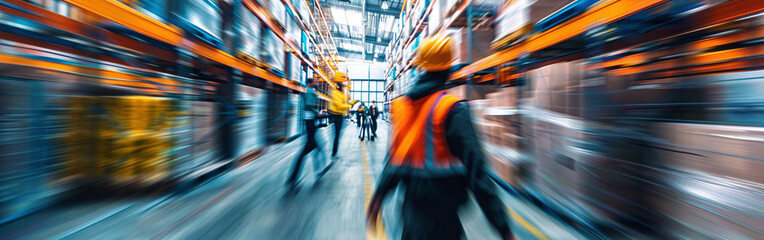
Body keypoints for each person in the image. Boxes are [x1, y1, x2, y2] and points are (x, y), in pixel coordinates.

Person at [366, 35, 514, 240]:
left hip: (411, 214)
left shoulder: (402, 107)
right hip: (443, 219)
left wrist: (379, 195)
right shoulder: (452, 109)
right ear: (448, 69)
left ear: (420, 68)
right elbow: (477, 171)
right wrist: (503, 227)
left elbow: (395, 159)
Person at [286, 78, 330, 190]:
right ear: (310, 83)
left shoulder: (309, 92)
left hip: (310, 121)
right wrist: (318, 114)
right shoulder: (310, 92)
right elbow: (310, 105)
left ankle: (318, 170)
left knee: (314, 145)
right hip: (310, 121)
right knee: (309, 147)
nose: (317, 83)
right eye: (315, 82)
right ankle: (293, 178)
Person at [328, 72, 350, 158]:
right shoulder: (335, 93)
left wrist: (349, 102)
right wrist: (348, 105)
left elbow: (342, 104)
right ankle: (334, 151)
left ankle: (334, 151)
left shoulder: (341, 93)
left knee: (337, 134)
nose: (344, 85)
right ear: (339, 83)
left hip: (340, 115)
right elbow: (339, 105)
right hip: (336, 115)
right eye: (343, 83)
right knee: (336, 134)